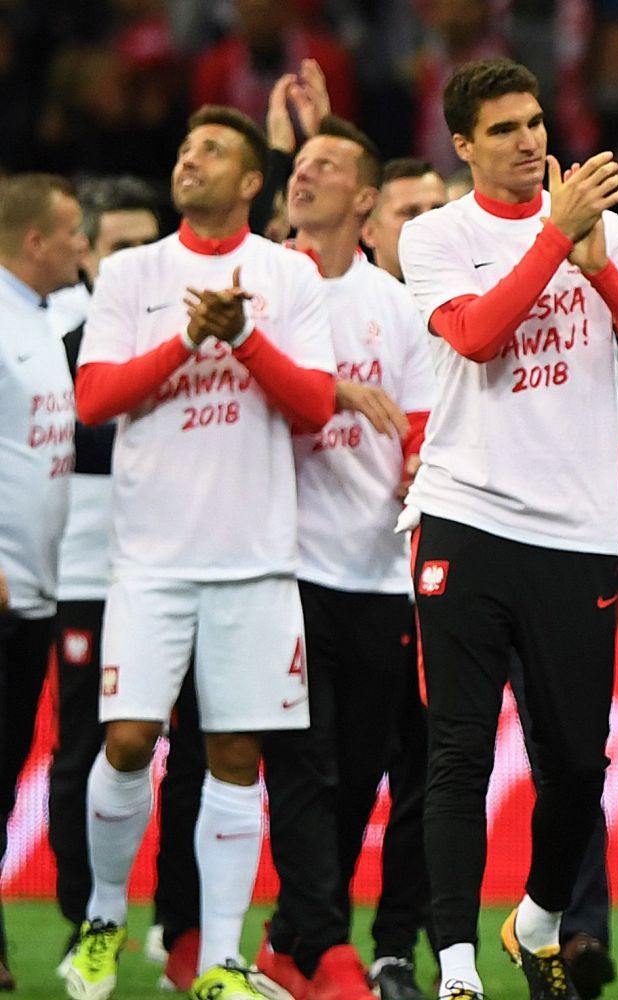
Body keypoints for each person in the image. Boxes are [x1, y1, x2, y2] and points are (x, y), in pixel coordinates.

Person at [398, 57, 618, 1000]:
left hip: (577, 531)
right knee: (458, 751)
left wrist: (598, 266)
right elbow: (477, 336)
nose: (528, 140)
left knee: (575, 767)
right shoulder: (436, 234)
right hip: (467, 516)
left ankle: (537, 923)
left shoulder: (606, 231)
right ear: (464, 145)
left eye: (534, 122)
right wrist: (557, 238)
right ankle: (455, 967)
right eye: (505, 129)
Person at [68, 104, 338, 1000]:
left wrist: (244, 337)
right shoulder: (132, 272)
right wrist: (191, 337)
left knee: (235, 757)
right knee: (128, 741)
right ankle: (104, 917)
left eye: (212, 150)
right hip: (150, 558)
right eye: (186, 147)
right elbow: (94, 399)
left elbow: (315, 406)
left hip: (255, 557)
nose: (190, 159)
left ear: (252, 179)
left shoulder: (288, 275)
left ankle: (220, 961)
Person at [250, 116, 435, 1000]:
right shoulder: (257, 285)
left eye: (326, 165)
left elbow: (424, 424)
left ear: (364, 200)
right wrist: (333, 392)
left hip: (373, 566)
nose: (304, 173)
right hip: (277, 563)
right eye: (301, 162)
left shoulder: (393, 306)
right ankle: (326, 950)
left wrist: (418, 479)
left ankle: (289, 939)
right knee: (303, 763)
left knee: (357, 772)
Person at [41, 178, 211, 991]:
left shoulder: (202, 336)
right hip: (85, 570)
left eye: (148, 244)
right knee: (86, 747)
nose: (136, 261)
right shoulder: (60, 343)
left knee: (199, 753)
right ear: (86, 255)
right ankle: (87, 923)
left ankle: (182, 928)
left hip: (188, 562)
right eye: (118, 248)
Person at [347, 154, 446, 1000]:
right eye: (409, 212)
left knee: (427, 776)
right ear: (371, 226)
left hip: (438, 583)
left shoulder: (466, 314)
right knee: (339, 773)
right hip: (347, 577)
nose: (425, 227)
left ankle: (393, 948)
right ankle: (306, 936)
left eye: (436, 210)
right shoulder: (339, 307)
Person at [0, 173, 85, 991]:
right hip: (2, 586)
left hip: (35, 590)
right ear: (34, 241)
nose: (82, 247)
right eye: (72, 233)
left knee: (3, 769)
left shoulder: (45, 317)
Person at [362, 158, 450, 282]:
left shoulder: (475, 284)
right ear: (369, 232)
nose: (429, 222)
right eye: (410, 213)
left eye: (438, 209)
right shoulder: (349, 293)